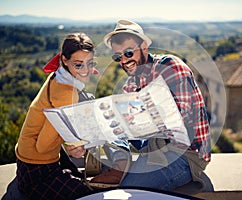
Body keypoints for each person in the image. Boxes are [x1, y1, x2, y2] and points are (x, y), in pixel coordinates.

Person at [91, 19, 214, 192]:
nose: (124, 60)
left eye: (128, 53)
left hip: (184, 153)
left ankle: (124, 170)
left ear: (144, 48)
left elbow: (182, 122)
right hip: (153, 146)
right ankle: (121, 162)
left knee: (129, 190)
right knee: (110, 115)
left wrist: (139, 119)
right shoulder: (130, 85)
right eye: (118, 57)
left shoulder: (170, 67)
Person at [11, 32, 98, 200]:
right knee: (89, 194)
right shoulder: (66, 93)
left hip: (26, 156)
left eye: (90, 63)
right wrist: (74, 143)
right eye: (79, 65)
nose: (86, 71)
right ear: (65, 60)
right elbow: (43, 147)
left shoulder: (59, 75)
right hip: (36, 170)